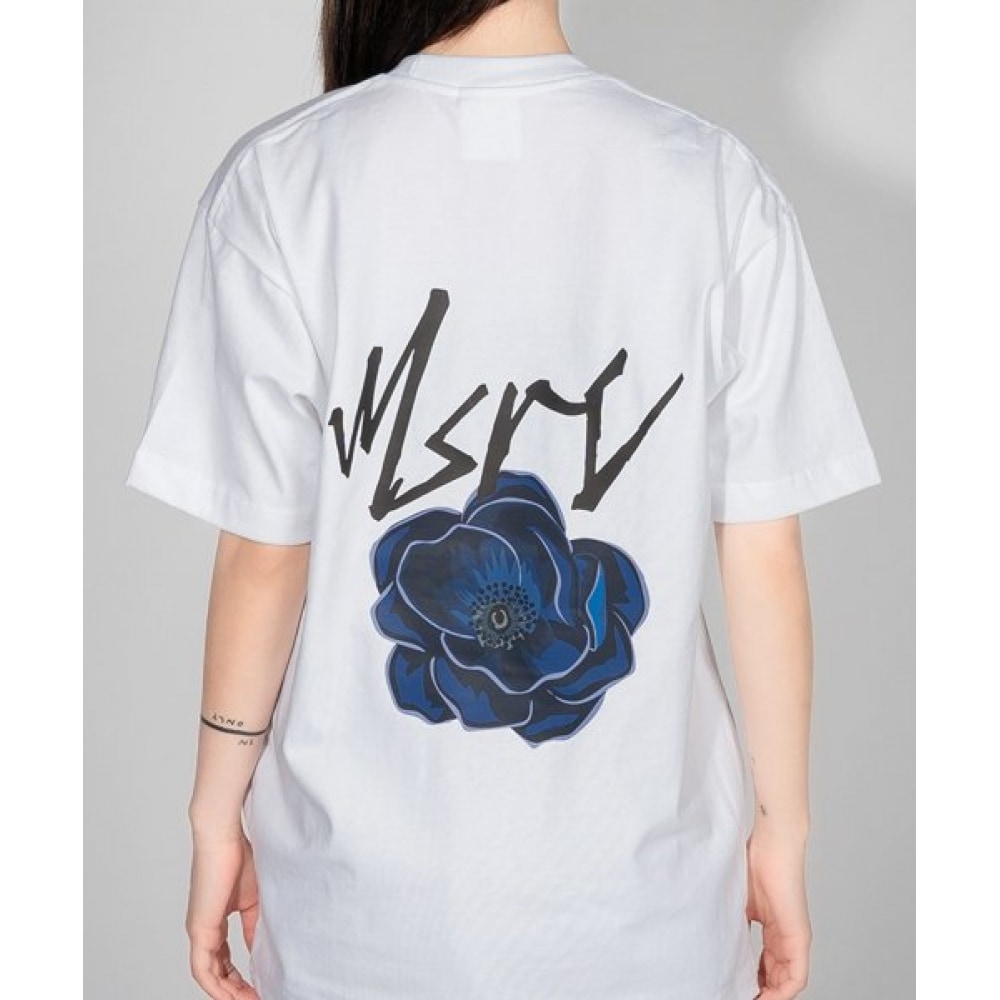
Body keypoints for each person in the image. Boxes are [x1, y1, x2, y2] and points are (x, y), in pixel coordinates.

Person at [125, 1, 881, 998]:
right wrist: (782, 833)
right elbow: (764, 552)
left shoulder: (282, 179)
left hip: (356, 906)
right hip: (645, 901)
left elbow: (263, 552)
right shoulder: (711, 180)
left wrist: (214, 816)